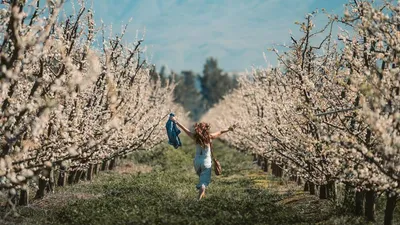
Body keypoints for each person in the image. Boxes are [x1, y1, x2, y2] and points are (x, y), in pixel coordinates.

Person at [169, 115, 234, 200]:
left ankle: (203, 195)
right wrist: (229, 129)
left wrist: (176, 121)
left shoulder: (195, 137)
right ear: (206, 129)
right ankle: (199, 199)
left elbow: (186, 130)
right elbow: (220, 132)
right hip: (206, 161)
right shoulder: (210, 137)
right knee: (204, 182)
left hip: (197, 161)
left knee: (201, 178)